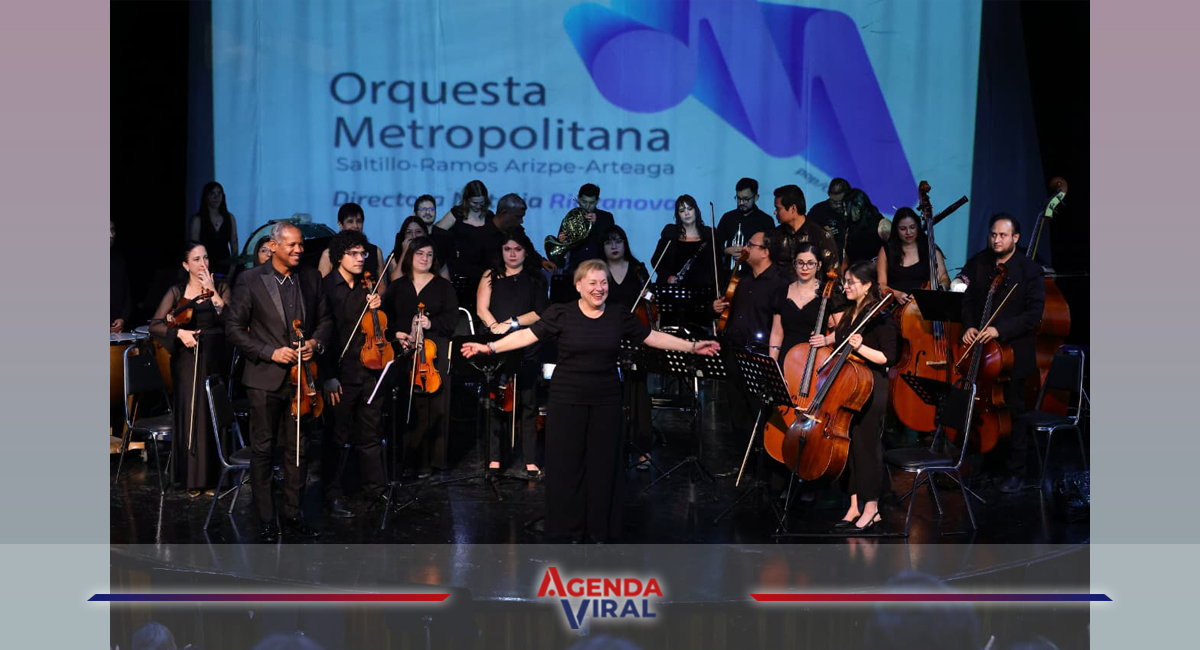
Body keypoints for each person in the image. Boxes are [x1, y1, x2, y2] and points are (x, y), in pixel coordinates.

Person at [462, 260, 719, 542]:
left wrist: (692, 346)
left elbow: (651, 337)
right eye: (593, 283)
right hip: (567, 400)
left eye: (604, 282)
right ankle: (567, 529)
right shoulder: (561, 313)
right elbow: (527, 335)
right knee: (566, 465)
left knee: (603, 466)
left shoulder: (618, 315)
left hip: (606, 401)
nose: (599, 288)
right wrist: (489, 347)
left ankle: (599, 529)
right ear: (578, 286)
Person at [225, 221, 332, 543]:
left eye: (301, 244)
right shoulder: (250, 280)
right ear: (273, 246)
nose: (299, 250)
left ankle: (292, 514)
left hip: (302, 381)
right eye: (292, 245)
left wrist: (315, 343)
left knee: (298, 449)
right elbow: (233, 329)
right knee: (263, 450)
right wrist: (269, 352)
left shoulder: (311, 277)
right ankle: (266, 519)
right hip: (264, 379)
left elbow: (326, 321)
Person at [960, 213, 1046, 493]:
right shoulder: (980, 263)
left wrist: (1000, 330)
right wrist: (969, 325)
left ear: (1015, 238)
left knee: (1016, 412)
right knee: (981, 408)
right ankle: (982, 464)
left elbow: (1033, 315)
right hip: (983, 353)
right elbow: (967, 300)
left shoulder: (1030, 270)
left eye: (1003, 235)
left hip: (1014, 354)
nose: (997, 240)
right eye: (994, 235)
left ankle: (1016, 472)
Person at [817, 261, 898, 531]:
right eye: (845, 281)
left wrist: (861, 347)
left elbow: (888, 357)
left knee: (866, 447)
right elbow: (842, 338)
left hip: (869, 386)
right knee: (848, 446)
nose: (846, 286)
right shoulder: (853, 311)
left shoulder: (881, 316)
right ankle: (853, 505)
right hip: (848, 385)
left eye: (851, 282)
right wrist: (827, 340)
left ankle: (872, 507)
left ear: (867, 285)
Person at [149, 242, 231, 496]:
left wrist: (213, 291)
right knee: (191, 413)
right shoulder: (178, 291)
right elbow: (156, 324)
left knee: (212, 413)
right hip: (187, 359)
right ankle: (192, 478)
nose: (203, 263)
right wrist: (179, 334)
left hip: (215, 357)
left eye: (205, 258)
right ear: (186, 265)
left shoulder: (222, 287)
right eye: (196, 259)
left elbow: (231, 320)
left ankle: (216, 477)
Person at [319, 230, 388, 519]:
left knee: (370, 434)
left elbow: (378, 327)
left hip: (369, 370)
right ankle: (332, 493)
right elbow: (321, 336)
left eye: (363, 254)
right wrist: (327, 376)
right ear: (339, 257)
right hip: (339, 374)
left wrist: (378, 305)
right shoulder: (325, 288)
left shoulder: (368, 287)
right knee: (337, 437)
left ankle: (375, 489)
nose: (361, 259)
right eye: (354, 254)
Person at [382, 236, 458, 478]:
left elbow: (452, 319)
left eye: (429, 254)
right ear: (411, 256)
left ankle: (433, 461)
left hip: (434, 353)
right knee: (408, 404)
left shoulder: (443, 286)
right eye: (420, 253)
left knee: (435, 405)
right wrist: (397, 333)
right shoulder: (397, 286)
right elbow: (386, 318)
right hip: (406, 350)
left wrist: (431, 323)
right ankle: (408, 460)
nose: (425, 258)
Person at [475, 232, 548, 477]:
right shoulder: (490, 275)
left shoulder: (536, 278)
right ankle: (495, 458)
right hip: (496, 343)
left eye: (517, 249)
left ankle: (530, 459)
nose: (512, 253)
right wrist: (495, 327)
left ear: (526, 251)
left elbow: (539, 312)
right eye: (507, 249)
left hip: (527, 343)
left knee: (528, 402)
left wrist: (511, 323)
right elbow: (482, 309)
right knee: (494, 401)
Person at [711, 230, 789, 458]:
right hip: (734, 351)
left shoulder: (781, 282)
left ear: (765, 252)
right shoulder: (740, 278)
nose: (744, 248)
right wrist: (716, 308)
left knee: (760, 411)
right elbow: (727, 310)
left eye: (750, 245)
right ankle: (743, 461)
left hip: (759, 354)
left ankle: (764, 462)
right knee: (737, 410)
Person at [600, 225, 654, 469]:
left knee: (638, 392)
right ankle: (610, 446)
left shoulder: (637, 269)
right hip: (605, 337)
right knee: (608, 392)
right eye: (608, 242)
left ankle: (643, 447)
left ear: (625, 244)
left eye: (618, 241)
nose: (614, 246)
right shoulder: (598, 270)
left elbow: (652, 298)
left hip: (635, 336)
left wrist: (648, 295)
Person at [877, 207, 950, 304]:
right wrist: (895, 294)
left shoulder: (930, 249)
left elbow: (944, 278)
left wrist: (937, 289)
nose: (908, 232)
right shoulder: (886, 250)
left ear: (918, 227)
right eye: (903, 229)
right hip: (895, 305)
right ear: (896, 229)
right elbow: (881, 284)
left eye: (912, 227)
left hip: (924, 304)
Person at [768, 243, 827, 364]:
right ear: (794, 264)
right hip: (786, 358)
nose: (804, 268)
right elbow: (777, 333)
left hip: (815, 359)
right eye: (800, 263)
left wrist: (827, 339)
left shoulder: (828, 292)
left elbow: (843, 330)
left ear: (819, 265)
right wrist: (772, 363)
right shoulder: (781, 292)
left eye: (810, 263)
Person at [650, 194, 718, 294]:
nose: (686, 213)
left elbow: (716, 264)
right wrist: (667, 277)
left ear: (696, 211)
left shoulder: (709, 234)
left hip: (701, 291)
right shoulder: (670, 232)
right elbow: (656, 260)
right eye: (682, 211)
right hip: (675, 290)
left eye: (689, 209)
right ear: (678, 215)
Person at [769, 184, 839, 277]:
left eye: (778, 208)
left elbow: (833, 275)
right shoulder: (775, 235)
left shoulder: (820, 236)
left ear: (793, 209)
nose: (775, 212)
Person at [715, 177, 774, 278]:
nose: (741, 203)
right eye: (738, 198)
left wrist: (748, 254)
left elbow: (771, 252)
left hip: (755, 277)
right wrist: (727, 250)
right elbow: (715, 245)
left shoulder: (766, 221)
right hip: (728, 275)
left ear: (756, 197)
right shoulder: (728, 217)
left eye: (746, 199)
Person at [318, 203, 387, 282]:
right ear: (340, 224)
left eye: (359, 221)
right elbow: (322, 285)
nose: (355, 226)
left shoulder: (375, 251)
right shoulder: (328, 254)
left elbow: (382, 284)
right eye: (350, 222)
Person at [561, 183, 616, 277]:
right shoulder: (571, 217)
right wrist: (562, 240)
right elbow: (564, 246)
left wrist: (596, 224)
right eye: (584, 202)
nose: (587, 206)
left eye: (591, 203)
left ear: (597, 201)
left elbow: (610, 242)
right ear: (578, 199)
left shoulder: (606, 217)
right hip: (576, 268)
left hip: (599, 267)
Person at [188, 181, 240, 278]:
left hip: (226, 267)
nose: (216, 197)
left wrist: (231, 271)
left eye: (219, 193)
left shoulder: (229, 218)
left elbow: (234, 245)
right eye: (212, 193)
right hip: (204, 268)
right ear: (206, 196)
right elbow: (193, 249)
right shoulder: (198, 220)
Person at [389, 216, 450, 281]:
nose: (414, 236)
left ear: (425, 234)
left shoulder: (436, 254)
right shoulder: (397, 256)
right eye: (409, 232)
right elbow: (395, 281)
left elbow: (446, 284)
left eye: (418, 232)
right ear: (404, 236)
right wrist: (404, 252)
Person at [405, 194, 454, 271]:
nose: (428, 212)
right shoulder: (409, 237)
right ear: (415, 213)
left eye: (431, 209)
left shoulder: (445, 237)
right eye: (423, 209)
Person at [841, 188, 888, 266]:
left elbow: (895, 252)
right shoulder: (850, 227)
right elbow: (846, 259)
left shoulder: (882, 225)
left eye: (847, 208)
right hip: (853, 271)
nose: (845, 213)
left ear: (858, 206)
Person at [806, 178, 851, 256]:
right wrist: (822, 233)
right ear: (829, 194)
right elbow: (806, 231)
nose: (838, 206)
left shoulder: (855, 210)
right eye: (834, 202)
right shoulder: (818, 210)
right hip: (826, 256)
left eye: (841, 202)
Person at [111, 220, 132, 333]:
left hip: (115, 329)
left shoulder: (119, 261)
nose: (111, 235)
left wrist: (122, 318)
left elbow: (127, 295)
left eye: (112, 230)